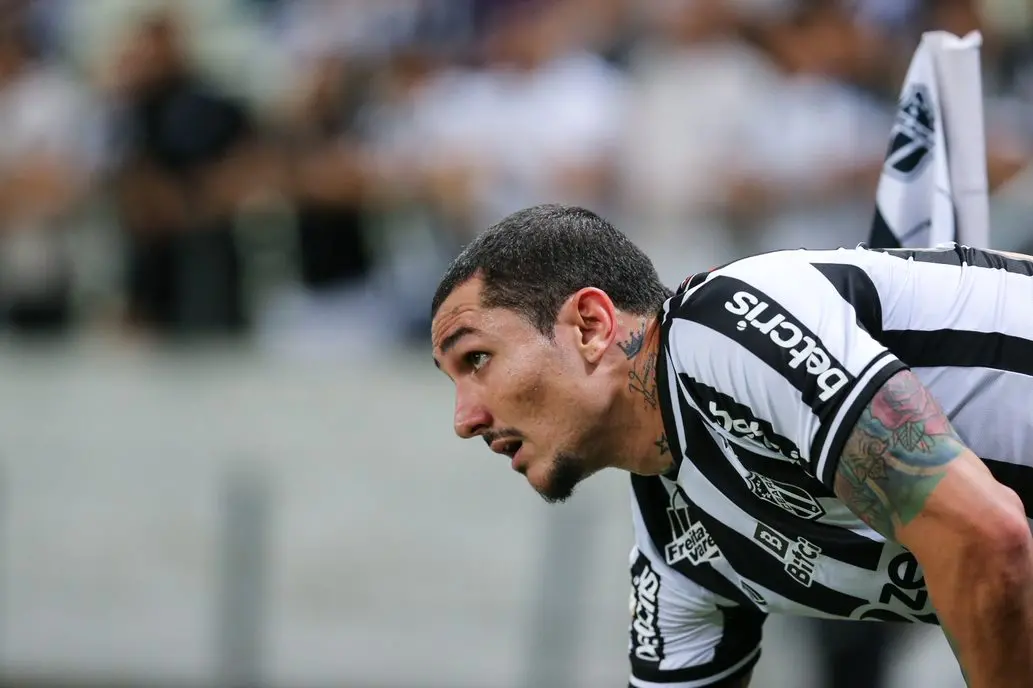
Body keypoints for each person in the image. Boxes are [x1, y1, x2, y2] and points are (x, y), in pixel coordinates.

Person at [429, 204, 1033, 688]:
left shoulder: (724, 326)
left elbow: (988, 535)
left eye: (476, 358)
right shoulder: (675, 551)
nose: (464, 420)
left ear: (590, 325)